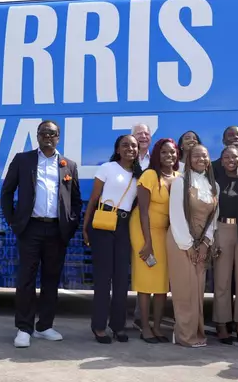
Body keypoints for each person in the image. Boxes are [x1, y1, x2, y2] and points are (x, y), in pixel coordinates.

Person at [0, 121, 83, 348]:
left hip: (57, 230)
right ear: (37, 136)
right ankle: (24, 329)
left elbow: (75, 200)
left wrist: (71, 223)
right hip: (30, 228)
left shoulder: (69, 165)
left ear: (59, 137)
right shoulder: (23, 160)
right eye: (43, 133)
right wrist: (13, 220)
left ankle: (44, 326)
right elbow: (7, 192)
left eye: (52, 133)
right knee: (26, 279)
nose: (48, 136)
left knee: (51, 279)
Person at [83, 135, 142, 344]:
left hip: (124, 226)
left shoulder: (139, 175)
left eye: (134, 146)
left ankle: (118, 327)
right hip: (103, 224)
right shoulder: (107, 168)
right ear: (117, 149)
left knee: (120, 280)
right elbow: (93, 199)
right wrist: (85, 226)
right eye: (125, 145)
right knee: (103, 278)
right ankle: (99, 327)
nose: (130, 148)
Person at [167, 144, 219, 348]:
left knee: (197, 290)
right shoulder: (180, 182)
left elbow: (214, 218)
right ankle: (183, 335)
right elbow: (176, 215)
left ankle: (196, 332)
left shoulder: (213, 185)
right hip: (181, 241)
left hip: (201, 243)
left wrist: (206, 243)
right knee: (184, 290)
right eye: (196, 156)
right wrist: (188, 245)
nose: (201, 159)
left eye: (204, 156)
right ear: (188, 159)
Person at [129, 138, 179, 343]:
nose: (170, 156)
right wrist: (147, 243)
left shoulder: (179, 177)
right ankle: (145, 328)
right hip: (144, 230)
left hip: (165, 233)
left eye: (173, 152)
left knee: (162, 282)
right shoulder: (149, 175)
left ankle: (157, 327)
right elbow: (142, 212)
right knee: (146, 279)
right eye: (165, 152)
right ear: (157, 155)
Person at [212, 145, 238, 345]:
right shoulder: (215, 180)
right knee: (222, 280)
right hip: (222, 229)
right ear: (221, 159)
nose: (230, 160)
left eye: (234, 156)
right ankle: (222, 323)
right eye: (226, 156)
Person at [131, 123, 153, 330]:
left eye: (146, 133)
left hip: (149, 219)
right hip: (127, 218)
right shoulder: (125, 157)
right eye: (139, 134)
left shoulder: (155, 160)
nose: (143, 137)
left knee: (146, 264)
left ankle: (141, 315)